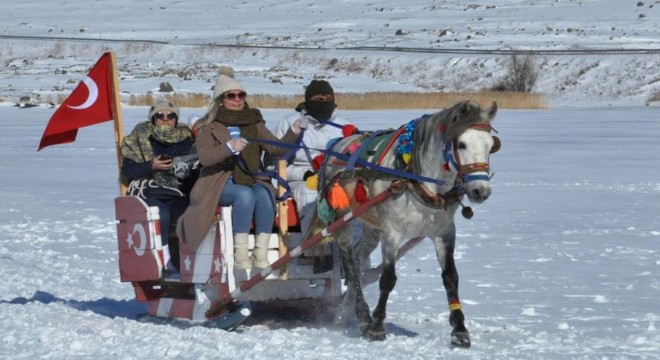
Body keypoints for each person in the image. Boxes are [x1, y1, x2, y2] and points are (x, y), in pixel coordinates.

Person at [176, 73, 307, 270]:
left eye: (241, 95)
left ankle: (260, 253)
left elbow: (276, 149)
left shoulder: (254, 123)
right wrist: (228, 147)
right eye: (231, 95)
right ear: (221, 100)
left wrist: (294, 131)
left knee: (265, 195)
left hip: (251, 177)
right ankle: (240, 254)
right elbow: (206, 158)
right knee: (244, 195)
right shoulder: (208, 127)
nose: (237, 99)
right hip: (218, 180)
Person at [271, 79, 354, 273]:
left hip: (338, 179)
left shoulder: (344, 126)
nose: (324, 101)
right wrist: (306, 173)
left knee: (357, 200)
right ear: (308, 100)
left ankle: (353, 254)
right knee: (312, 197)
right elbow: (278, 164)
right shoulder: (290, 123)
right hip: (303, 179)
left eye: (328, 97)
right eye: (318, 98)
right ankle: (317, 253)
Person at [121, 99, 197, 275]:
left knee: (192, 211)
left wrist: (186, 166)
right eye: (159, 115)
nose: (165, 118)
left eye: (170, 115)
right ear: (152, 118)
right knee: (159, 212)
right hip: (149, 189)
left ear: (176, 119)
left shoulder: (187, 139)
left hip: (178, 190)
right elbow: (127, 170)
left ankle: (190, 261)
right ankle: (164, 261)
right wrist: (151, 166)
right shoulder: (139, 137)